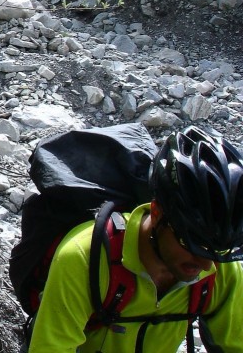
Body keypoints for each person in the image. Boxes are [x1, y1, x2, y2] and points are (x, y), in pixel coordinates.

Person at [28, 126, 243, 352]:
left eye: (216, 251)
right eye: (191, 243)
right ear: (157, 212)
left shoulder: (221, 269)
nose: (206, 265)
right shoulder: (85, 257)